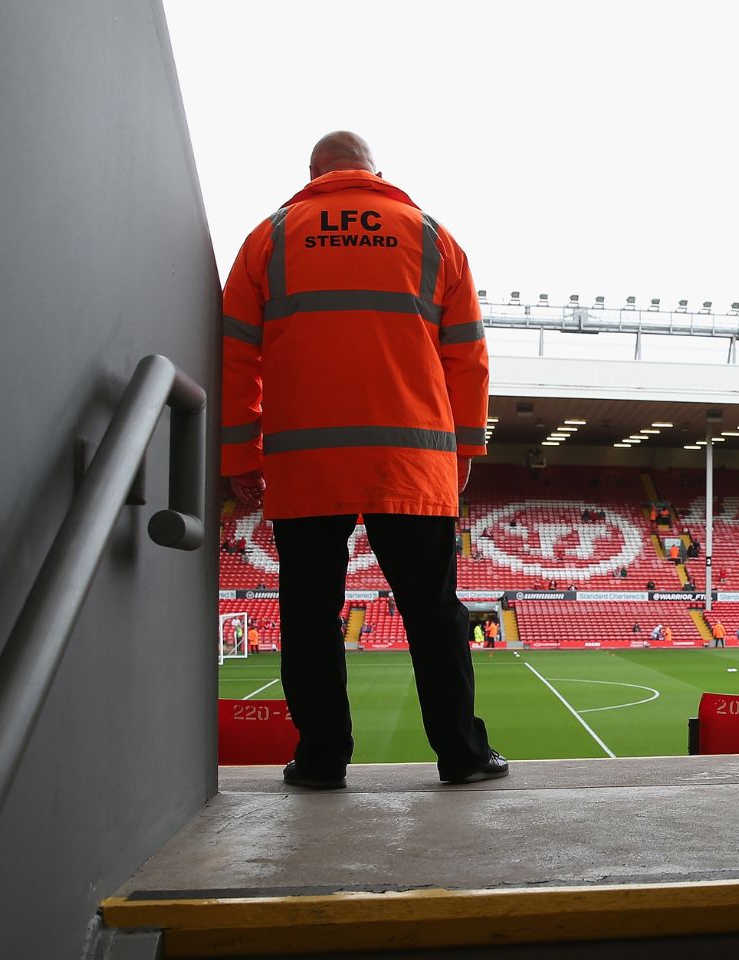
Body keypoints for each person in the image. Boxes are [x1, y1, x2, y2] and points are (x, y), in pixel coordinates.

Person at [220, 131, 505, 790]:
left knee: (309, 615)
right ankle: (461, 755)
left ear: (314, 173)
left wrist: (240, 453)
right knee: (433, 613)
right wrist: (466, 448)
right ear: (376, 173)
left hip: (306, 463)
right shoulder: (432, 237)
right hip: (409, 462)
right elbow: (468, 354)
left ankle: (321, 760)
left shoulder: (270, 238)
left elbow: (237, 354)